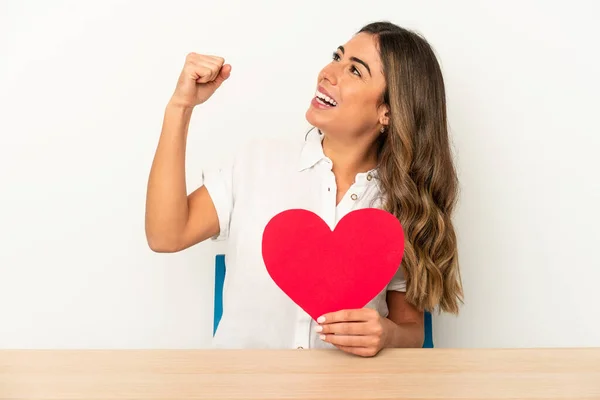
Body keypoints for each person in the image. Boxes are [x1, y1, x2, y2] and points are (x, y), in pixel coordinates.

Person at [145, 21, 463, 357]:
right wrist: (180, 107)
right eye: (337, 57)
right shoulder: (258, 162)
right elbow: (166, 235)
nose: (329, 72)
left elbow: (411, 330)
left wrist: (386, 335)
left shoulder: (403, 205)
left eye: (354, 70)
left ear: (388, 111)